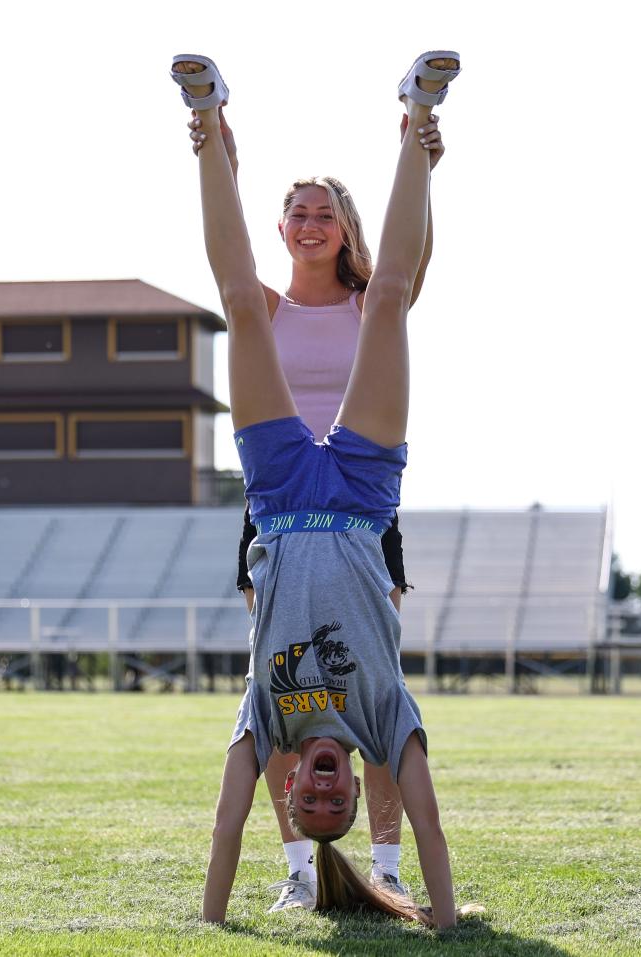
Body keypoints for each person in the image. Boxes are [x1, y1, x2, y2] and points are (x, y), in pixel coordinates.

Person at [171, 51, 464, 928]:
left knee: (267, 299)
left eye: (323, 213)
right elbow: (439, 823)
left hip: (282, 485)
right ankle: (419, 109)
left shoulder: (358, 290)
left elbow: (404, 272)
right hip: (359, 492)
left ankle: (203, 116)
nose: (309, 223)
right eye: (297, 212)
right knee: (352, 303)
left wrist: (212, 142)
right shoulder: (384, 719)